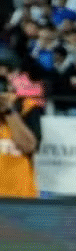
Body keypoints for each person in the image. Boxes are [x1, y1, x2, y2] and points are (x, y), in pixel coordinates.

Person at [0, 52, 41, 198]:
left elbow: (29, 146)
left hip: (20, 199)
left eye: (7, 73)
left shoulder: (28, 107)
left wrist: (8, 111)